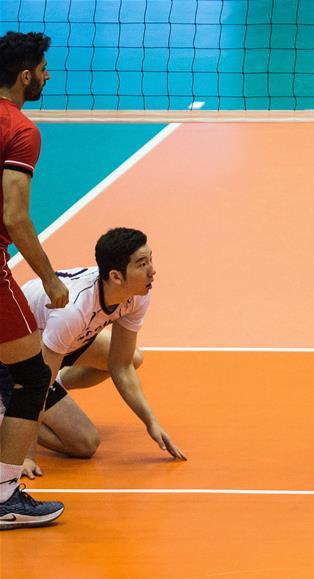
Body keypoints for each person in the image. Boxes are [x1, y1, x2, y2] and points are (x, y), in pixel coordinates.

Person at [0, 228, 187, 477]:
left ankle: (55, 383)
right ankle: (6, 416)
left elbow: (120, 364)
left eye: (150, 260)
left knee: (133, 357)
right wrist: (25, 456)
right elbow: (38, 389)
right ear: (116, 276)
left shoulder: (136, 295)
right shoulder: (73, 311)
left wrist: (150, 421)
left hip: (56, 343)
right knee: (84, 443)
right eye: (142, 264)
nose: (152, 270)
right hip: (14, 355)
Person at [0, 31, 67, 529]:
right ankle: (4, 496)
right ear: (25, 76)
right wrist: (50, 279)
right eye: (43, 69)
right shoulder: (21, 130)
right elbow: (15, 216)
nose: (47, 76)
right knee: (32, 378)